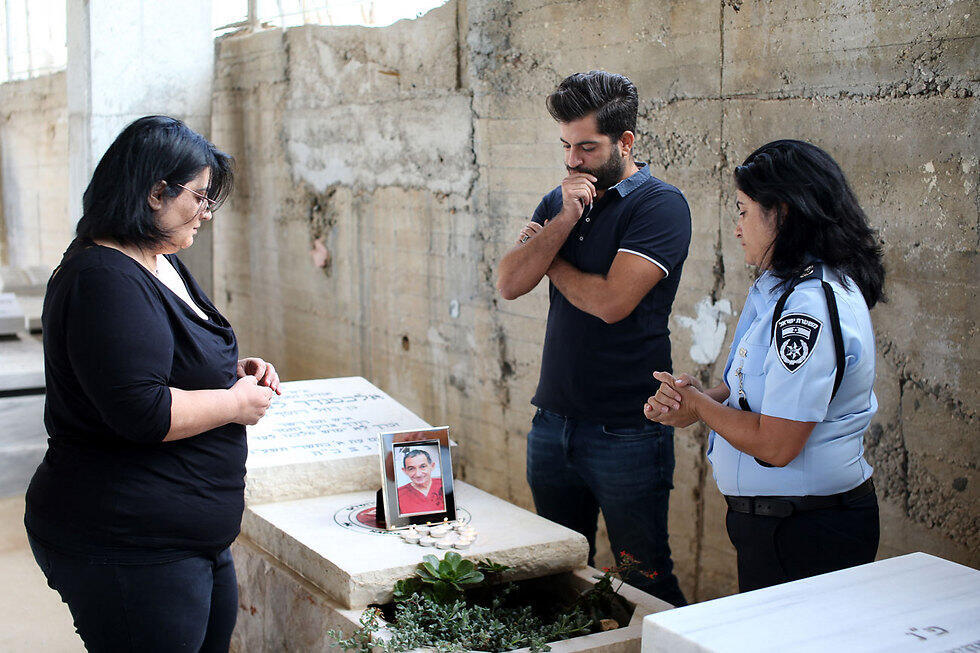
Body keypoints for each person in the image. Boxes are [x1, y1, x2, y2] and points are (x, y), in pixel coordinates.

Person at [24, 115, 282, 652]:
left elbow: (157, 360)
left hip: (182, 538)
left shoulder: (158, 260)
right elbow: (141, 409)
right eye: (200, 197)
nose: (206, 213)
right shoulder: (104, 278)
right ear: (155, 192)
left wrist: (229, 372)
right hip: (127, 543)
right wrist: (233, 404)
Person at [645, 139, 885, 593]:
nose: (737, 227)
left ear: (784, 213)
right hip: (781, 524)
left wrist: (699, 407)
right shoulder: (781, 287)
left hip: (806, 530)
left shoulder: (807, 308)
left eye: (743, 210)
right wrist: (698, 397)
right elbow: (759, 392)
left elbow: (776, 444)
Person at [496, 71, 691, 607]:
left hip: (628, 429)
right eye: (566, 146)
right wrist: (564, 218)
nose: (573, 159)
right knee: (558, 570)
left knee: (644, 578)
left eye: (587, 146)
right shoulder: (560, 201)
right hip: (553, 422)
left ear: (624, 142)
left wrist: (548, 254)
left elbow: (611, 303)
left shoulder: (660, 206)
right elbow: (511, 282)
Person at [396, 448, 446, 516]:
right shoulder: (398, 495)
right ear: (405, 471)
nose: (418, 474)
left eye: (422, 466)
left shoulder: (445, 485)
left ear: (432, 466)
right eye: (411, 469)